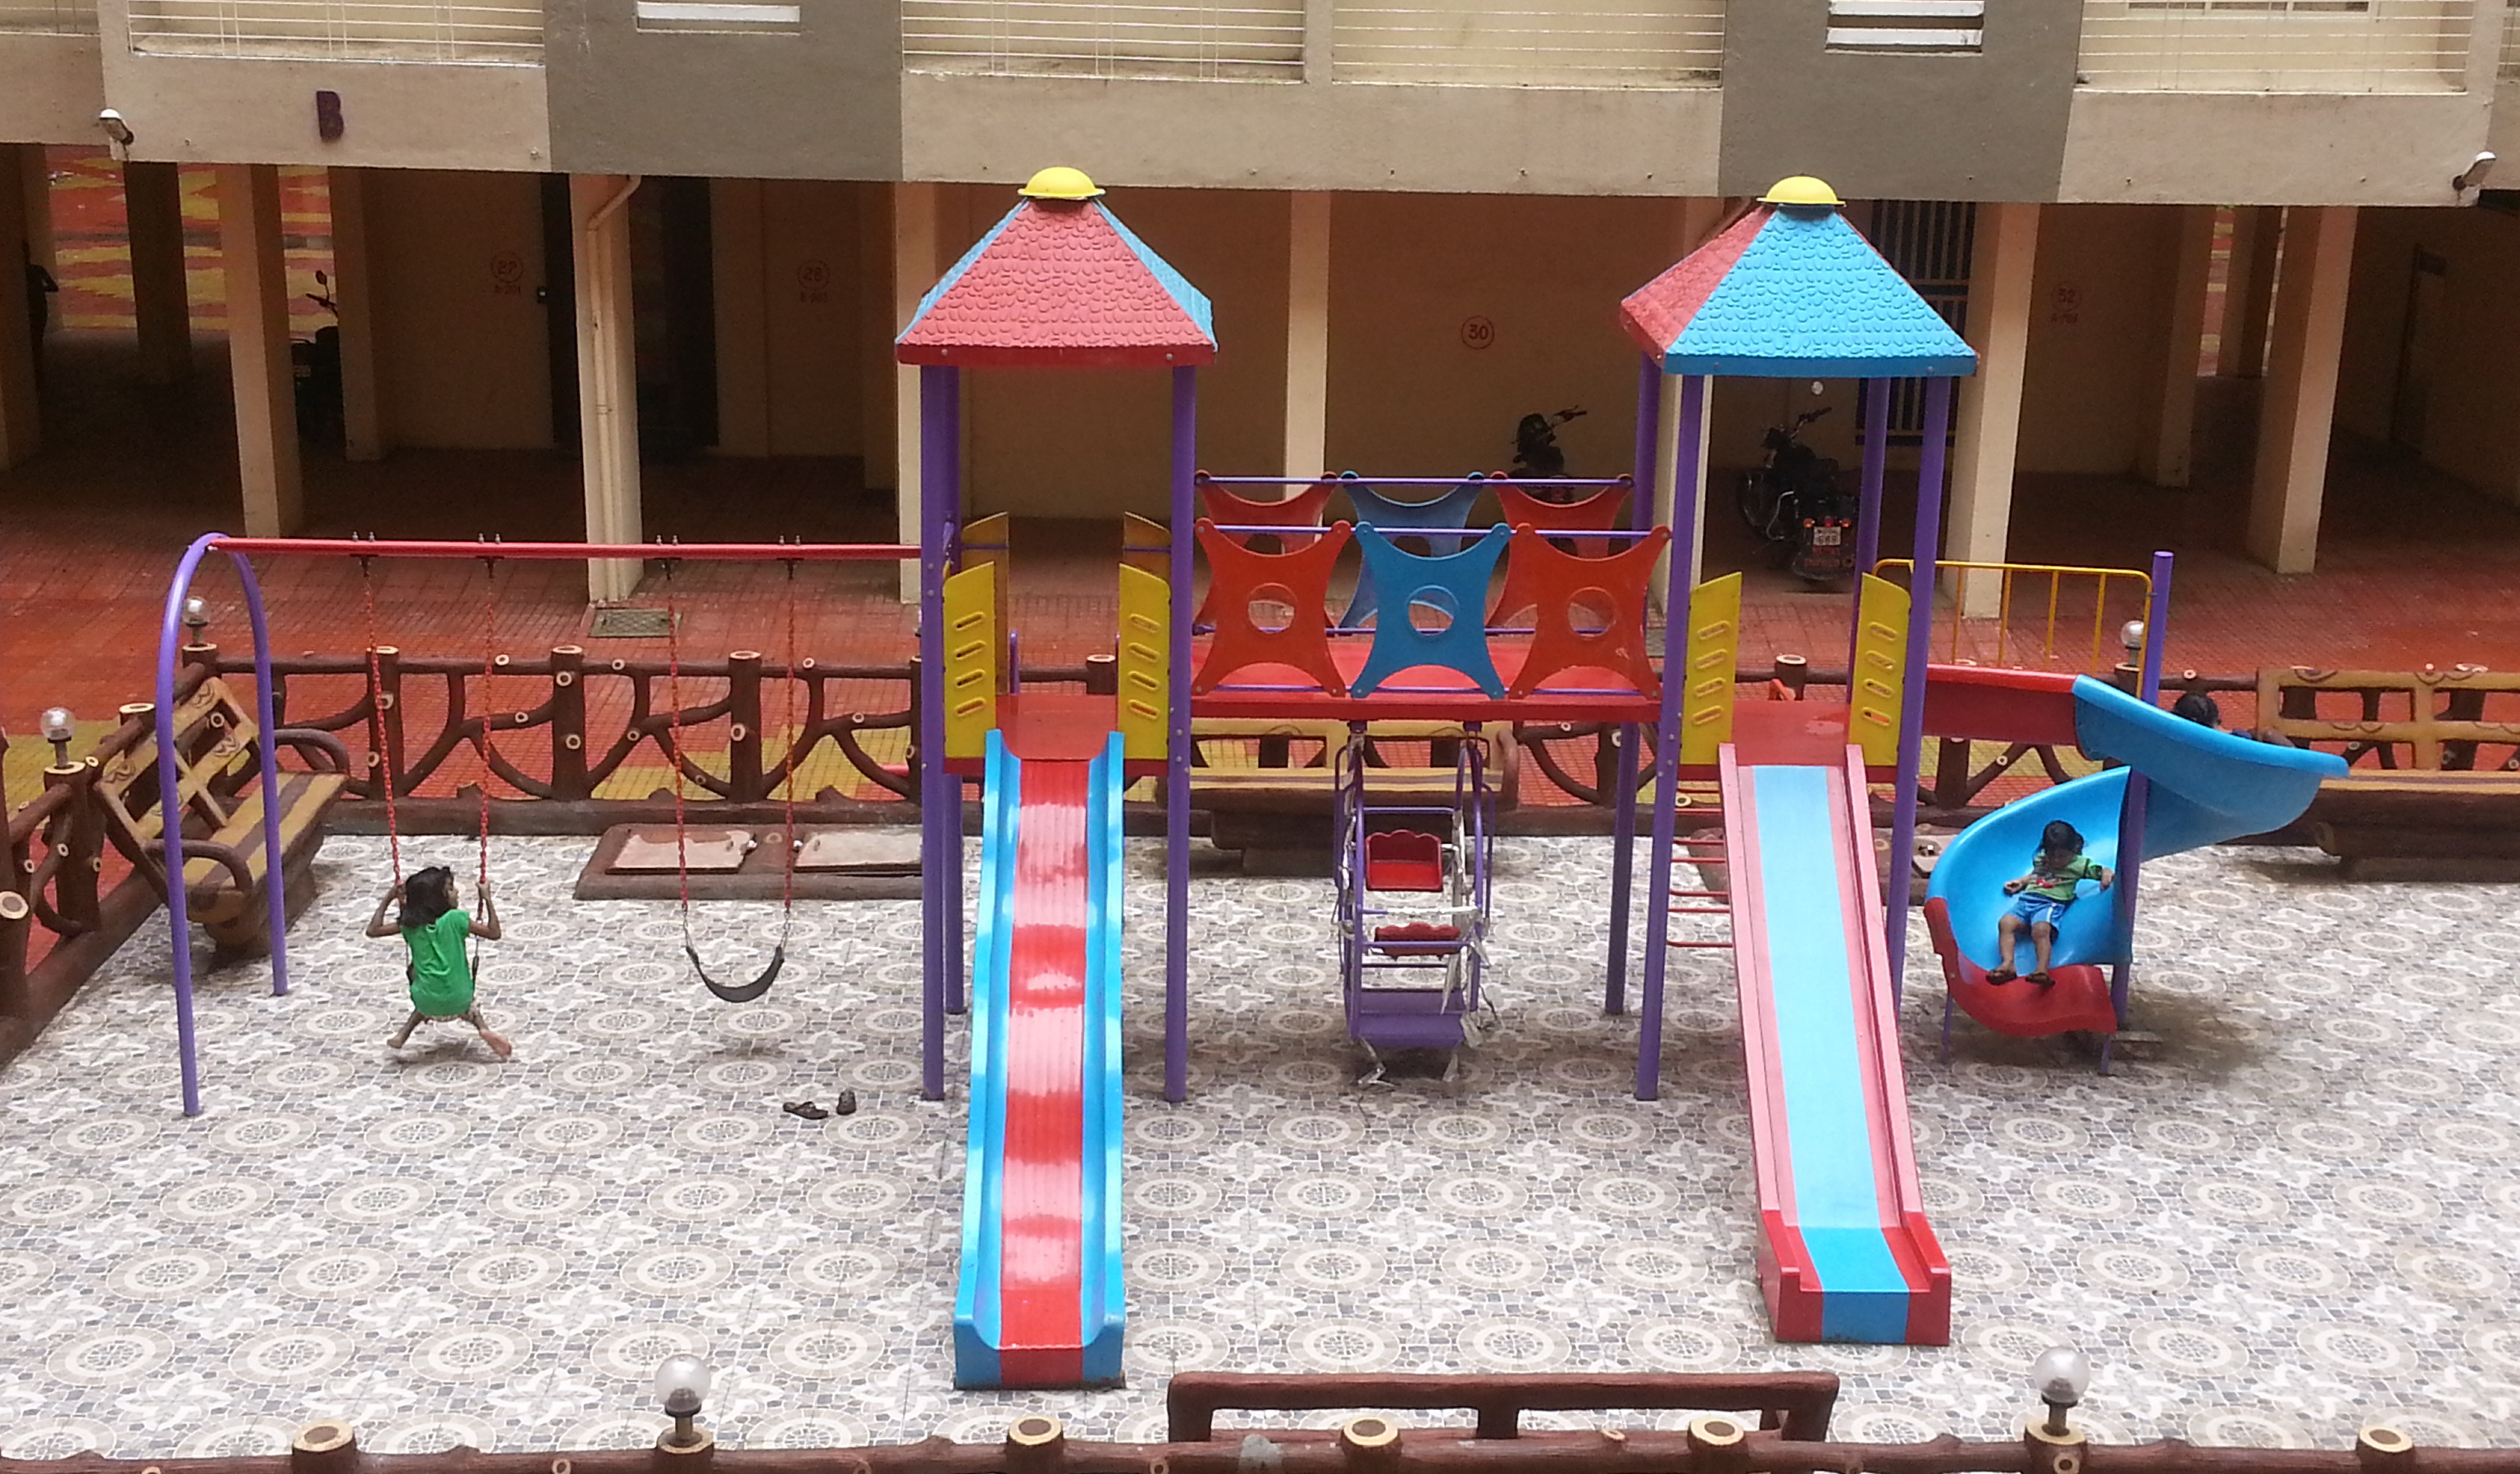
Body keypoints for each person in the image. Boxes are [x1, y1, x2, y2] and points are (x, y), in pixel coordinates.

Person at [365, 866, 513, 1058]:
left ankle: (402, 1034)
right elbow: (494, 933)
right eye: (450, 888)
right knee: (469, 1006)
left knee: (427, 989)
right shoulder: (456, 919)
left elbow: (373, 930)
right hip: (460, 1000)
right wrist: (487, 898)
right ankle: (483, 1028)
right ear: (438, 898)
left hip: (426, 1002)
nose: (457, 891)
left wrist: (389, 897)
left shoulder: (410, 925)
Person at [1988, 819, 2112, 987]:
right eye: (2051, 854)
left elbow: (2101, 871)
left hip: (2049, 904)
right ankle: (2008, 964)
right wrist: (2022, 881)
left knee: (2041, 930)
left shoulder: (2079, 864)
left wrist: (2106, 874)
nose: (2055, 860)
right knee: (2005, 923)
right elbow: (2037, 874)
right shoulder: (2042, 859)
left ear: (2073, 850)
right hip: (2026, 901)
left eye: (2061, 856)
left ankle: (2041, 970)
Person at [24, 244, 57, 384]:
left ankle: (33, 374)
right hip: (39, 307)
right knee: (37, 342)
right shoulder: (38, 270)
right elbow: (54, 287)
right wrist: (39, 289)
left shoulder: (15, 274)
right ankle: (38, 374)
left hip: (29, 309)